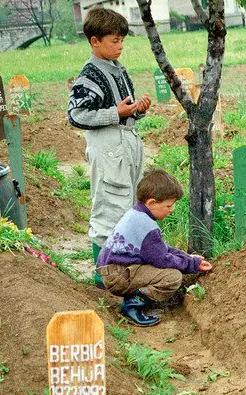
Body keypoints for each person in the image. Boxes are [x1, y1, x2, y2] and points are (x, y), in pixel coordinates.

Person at [67, 6, 152, 287]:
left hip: (127, 140)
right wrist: (115, 113)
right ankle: (102, 275)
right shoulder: (89, 75)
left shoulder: (117, 70)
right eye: (114, 41)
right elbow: (76, 115)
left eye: (122, 41)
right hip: (107, 146)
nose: (120, 46)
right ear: (95, 41)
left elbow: (124, 109)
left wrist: (137, 110)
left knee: (128, 203)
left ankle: (123, 268)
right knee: (108, 205)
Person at [97, 169, 213, 326]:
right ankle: (132, 306)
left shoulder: (137, 214)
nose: (171, 210)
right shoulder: (146, 226)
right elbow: (162, 259)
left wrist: (189, 259)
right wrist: (192, 265)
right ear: (151, 203)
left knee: (164, 270)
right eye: (169, 205)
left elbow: (163, 248)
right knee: (172, 277)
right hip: (116, 276)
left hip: (115, 270)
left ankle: (134, 299)